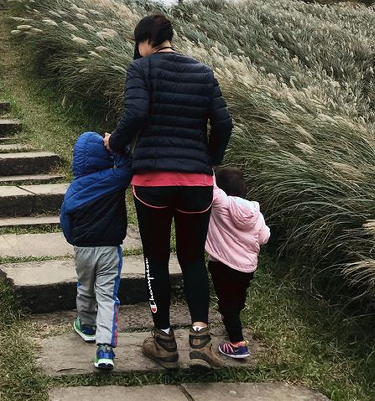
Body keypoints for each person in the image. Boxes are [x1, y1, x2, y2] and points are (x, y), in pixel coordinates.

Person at [104, 14, 233, 369]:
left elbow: (135, 113)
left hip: (153, 183)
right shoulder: (203, 72)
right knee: (192, 258)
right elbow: (223, 123)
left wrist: (115, 142)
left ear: (145, 40)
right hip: (196, 185)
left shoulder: (140, 69)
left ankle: (163, 339)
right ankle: (200, 338)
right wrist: (208, 159)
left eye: (137, 44)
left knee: (156, 258)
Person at [60, 131, 133, 370]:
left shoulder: (74, 189)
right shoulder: (114, 178)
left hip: (82, 249)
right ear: (104, 156)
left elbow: (66, 220)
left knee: (85, 287)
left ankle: (87, 325)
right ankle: (105, 348)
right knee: (107, 296)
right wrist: (116, 146)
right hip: (109, 250)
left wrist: (74, 241)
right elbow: (128, 167)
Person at [205, 167, 270, 359]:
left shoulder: (221, 204)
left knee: (227, 303)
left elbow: (211, 188)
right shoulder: (255, 211)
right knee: (238, 298)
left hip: (222, 264)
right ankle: (232, 321)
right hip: (247, 268)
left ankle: (237, 344)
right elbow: (264, 237)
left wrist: (208, 166)